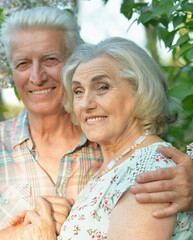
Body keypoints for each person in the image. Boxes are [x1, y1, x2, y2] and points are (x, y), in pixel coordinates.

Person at [0, 7, 193, 240]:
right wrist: (25, 233)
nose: (36, 77)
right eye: (22, 63)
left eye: (50, 59)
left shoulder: (131, 157)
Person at [17, 37, 193, 239]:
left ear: (140, 91)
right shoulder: (112, 168)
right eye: (78, 91)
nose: (86, 104)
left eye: (102, 87)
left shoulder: (149, 171)